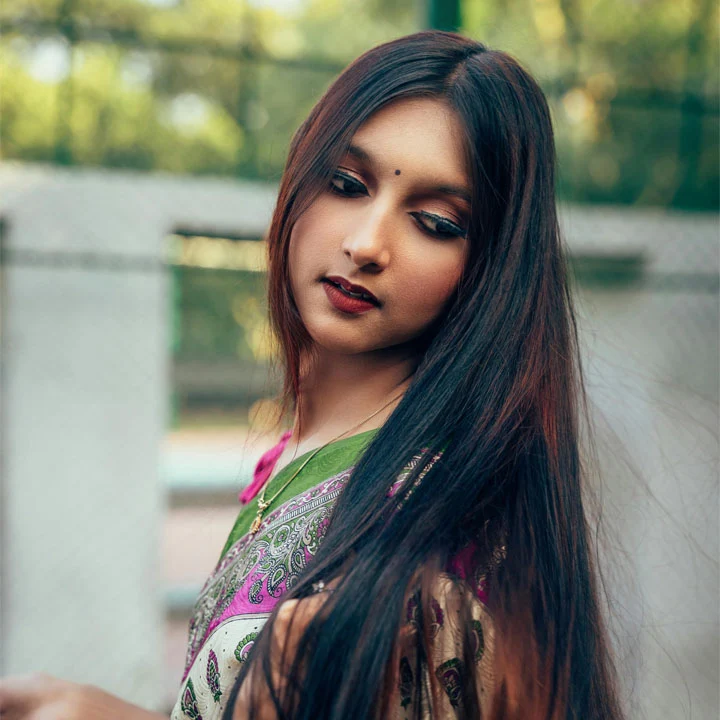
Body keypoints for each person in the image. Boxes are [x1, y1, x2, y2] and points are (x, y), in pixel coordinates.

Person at [0, 30, 625, 720]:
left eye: (434, 222)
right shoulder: (293, 454)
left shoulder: (430, 529)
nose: (366, 243)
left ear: (490, 269)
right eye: (347, 185)